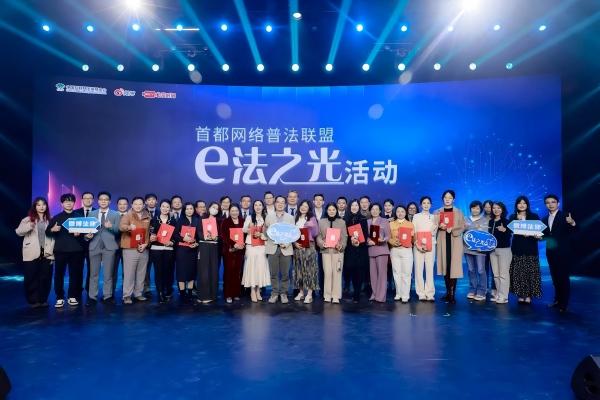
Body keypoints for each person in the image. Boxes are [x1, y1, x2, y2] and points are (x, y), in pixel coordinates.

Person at [46, 193, 85, 308]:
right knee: (59, 275)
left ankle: (72, 296)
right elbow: (47, 233)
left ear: (74, 203)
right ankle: (59, 297)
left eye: (71, 201)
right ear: (61, 203)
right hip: (60, 251)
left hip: (76, 251)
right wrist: (52, 230)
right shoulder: (56, 217)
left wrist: (80, 233)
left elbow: (86, 234)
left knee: (75, 275)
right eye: (66, 201)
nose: (68, 203)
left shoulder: (80, 217)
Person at [15, 197, 53, 307]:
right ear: (35, 207)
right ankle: (33, 300)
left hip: (47, 253)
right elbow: (18, 232)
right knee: (31, 277)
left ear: (46, 206)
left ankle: (43, 299)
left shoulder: (51, 220)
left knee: (45, 277)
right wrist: (29, 226)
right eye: (38, 205)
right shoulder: (28, 219)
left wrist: (52, 253)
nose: (41, 207)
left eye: (43, 204)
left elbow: (54, 238)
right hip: (31, 252)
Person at [542, 194, 577, 312]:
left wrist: (572, 223)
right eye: (548, 202)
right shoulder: (544, 219)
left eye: (553, 202)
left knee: (563, 278)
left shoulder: (565, 216)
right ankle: (557, 300)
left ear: (558, 203)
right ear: (545, 205)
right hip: (550, 252)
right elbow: (545, 236)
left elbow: (576, 231)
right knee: (555, 278)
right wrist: (539, 237)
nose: (550, 204)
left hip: (563, 253)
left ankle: (563, 304)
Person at [85, 191, 121, 306]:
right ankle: (92, 297)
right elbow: (86, 231)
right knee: (93, 273)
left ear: (109, 201)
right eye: (101, 199)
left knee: (108, 273)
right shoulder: (92, 214)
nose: (103, 201)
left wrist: (111, 227)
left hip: (109, 247)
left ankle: (107, 296)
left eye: (106, 199)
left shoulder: (115, 214)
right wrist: (87, 236)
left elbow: (118, 231)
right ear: (98, 201)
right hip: (94, 245)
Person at [508, 195, 542, 304]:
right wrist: (518, 221)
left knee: (530, 272)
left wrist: (536, 235)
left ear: (527, 204)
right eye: (519, 203)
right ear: (516, 205)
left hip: (530, 248)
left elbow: (539, 233)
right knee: (518, 273)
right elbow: (510, 231)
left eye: (524, 203)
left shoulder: (534, 216)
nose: (522, 205)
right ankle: (520, 294)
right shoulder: (512, 217)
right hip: (517, 248)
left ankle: (528, 295)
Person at [119, 196, 151, 304]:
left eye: (140, 204)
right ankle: (127, 295)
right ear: (132, 205)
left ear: (143, 205)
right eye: (136, 204)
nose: (138, 206)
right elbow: (121, 227)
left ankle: (138, 293)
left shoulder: (147, 216)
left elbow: (148, 233)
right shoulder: (127, 215)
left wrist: (146, 244)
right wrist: (129, 227)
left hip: (143, 248)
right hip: (130, 249)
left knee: (141, 273)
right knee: (129, 273)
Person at [435, 190, 465, 304]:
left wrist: (452, 229)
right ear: (442, 199)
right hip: (443, 241)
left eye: (450, 197)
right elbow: (433, 226)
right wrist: (439, 226)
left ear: (454, 199)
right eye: (445, 197)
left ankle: (452, 294)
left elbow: (463, 226)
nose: (447, 199)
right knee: (446, 267)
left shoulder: (459, 212)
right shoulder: (437, 212)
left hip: (455, 241)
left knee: (454, 268)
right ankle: (448, 292)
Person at [264, 195, 294, 304]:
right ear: (275, 204)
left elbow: (293, 233)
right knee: (274, 274)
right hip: (272, 248)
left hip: (286, 249)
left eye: (282, 202)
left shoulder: (290, 218)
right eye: (278, 202)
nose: (280, 204)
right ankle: (274, 293)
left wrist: (286, 243)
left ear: (285, 205)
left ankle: (283, 293)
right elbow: (265, 232)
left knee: (285, 274)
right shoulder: (269, 217)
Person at [316, 203, 347, 303]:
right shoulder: (321, 222)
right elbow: (318, 236)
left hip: (337, 252)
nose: (331, 211)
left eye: (333, 209)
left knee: (337, 273)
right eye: (329, 210)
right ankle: (327, 295)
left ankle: (336, 296)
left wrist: (341, 245)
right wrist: (322, 243)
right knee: (327, 273)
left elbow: (344, 237)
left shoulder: (342, 222)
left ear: (336, 210)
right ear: (326, 211)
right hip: (326, 251)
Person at [242, 200, 271, 302]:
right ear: (253, 207)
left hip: (262, 246)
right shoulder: (249, 217)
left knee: (260, 268)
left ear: (263, 207)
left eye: (260, 205)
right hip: (251, 246)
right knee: (252, 268)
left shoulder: (266, 218)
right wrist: (250, 228)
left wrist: (262, 234)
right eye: (255, 205)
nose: (258, 207)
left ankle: (258, 290)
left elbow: (270, 233)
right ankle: (252, 291)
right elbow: (243, 229)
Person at [148, 199, 176, 304]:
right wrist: (151, 238)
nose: (165, 208)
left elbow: (176, 236)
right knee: (158, 271)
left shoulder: (173, 221)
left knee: (168, 271)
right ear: (160, 207)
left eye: (167, 207)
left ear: (170, 209)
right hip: (156, 249)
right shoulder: (154, 220)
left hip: (168, 250)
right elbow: (150, 234)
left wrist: (172, 242)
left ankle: (167, 290)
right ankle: (160, 293)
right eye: (163, 206)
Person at [292, 200, 320, 303]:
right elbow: (291, 233)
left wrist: (310, 225)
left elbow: (316, 233)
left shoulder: (312, 218)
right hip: (298, 247)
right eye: (302, 205)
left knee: (310, 270)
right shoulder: (295, 218)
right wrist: (294, 243)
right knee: (299, 270)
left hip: (309, 246)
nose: (303, 207)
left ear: (309, 209)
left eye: (306, 206)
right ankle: (301, 293)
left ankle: (309, 294)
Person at [343, 200, 369, 303]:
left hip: (361, 249)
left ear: (359, 207)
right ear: (349, 207)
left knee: (360, 272)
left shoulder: (363, 219)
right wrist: (351, 240)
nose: (354, 207)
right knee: (352, 271)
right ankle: (352, 291)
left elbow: (365, 234)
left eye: (356, 205)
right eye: (352, 205)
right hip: (350, 250)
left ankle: (357, 294)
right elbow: (343, 235)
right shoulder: (345, 219)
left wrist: (359, 242)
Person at [463, 200, 489, 302]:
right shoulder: (465, 219)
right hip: (467, 249)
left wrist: (482, 246)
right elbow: (461, 231)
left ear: (481, 210)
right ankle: (472, 289)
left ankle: (482, 291)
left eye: (477, 208)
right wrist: (464, 228)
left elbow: (486, 235)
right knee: (471, 270)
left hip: (480, 250)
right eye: (473, 208)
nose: (475, 210)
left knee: (481, 270)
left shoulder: (485, 220)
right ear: (470, 209)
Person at [412, 196, 437, 302]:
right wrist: (417, 244)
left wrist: (432, 232)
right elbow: (414, 231)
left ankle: (430, 293)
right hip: (418, 245)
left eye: (428, 203)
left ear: (431, 205)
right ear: (421, 205)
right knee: (418, 269)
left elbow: (434, 232)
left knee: (430, 269)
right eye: (424, 203)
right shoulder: (416, 216)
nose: (426, 205)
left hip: (431, 245)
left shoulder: (434, 217)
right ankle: (421, 293)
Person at [195, 202, 220, 304]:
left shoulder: (218, 220)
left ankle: (212, 295)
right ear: (209, 208)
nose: (215, 209)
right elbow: (198, 232)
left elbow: (220, 235)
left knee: (213, 271)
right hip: (203, 246)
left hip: (214, 247)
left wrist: (216, 237)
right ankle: (203, 296)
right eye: (213, 207)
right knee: (203, 271)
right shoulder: (202, 218)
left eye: (217, 208)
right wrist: (205, 237)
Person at [388, 205, 414, 303]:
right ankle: (398, 293)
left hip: (406, 250)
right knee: (396, 272)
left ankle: (405, 294)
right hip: (394, 250)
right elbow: (388, 237)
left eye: (402, 211)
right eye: (398, 211)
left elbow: (413, 239)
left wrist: (408, 240)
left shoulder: (410, 224)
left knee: (406, 273)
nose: (400, 213)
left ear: (405, 213)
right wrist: (392, 242)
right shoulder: (391, 224)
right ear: (395, 213)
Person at [220, 204, 246, 303]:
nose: (234, 212)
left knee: (237, 272)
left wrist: (242, 244)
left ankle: (236, 293)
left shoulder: (243, 221)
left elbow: (245, 235)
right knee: (228, 272)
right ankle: (228, 294)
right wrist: (234, 244)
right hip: (229, 250)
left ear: (239, 211)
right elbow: (224, 236)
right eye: (232, 211)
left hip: (240, 251)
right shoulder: (225, 222)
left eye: (236, 210)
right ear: (229, 212)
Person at [174, 202, 199, 303]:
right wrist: (183, 238)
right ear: (184, 210)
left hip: (193, 249)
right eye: (187, 209)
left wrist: (196, 243)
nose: (189, 210)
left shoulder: (197, 220)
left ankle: (190, 293)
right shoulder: (180, 221)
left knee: (191, 272)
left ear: (194, 210)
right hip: (182, 250)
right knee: (181, 272)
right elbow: (175, 235)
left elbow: (199, 235)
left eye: (191, 208)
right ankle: (182, 294)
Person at [488, 201, 512, 304]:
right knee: (496, 275)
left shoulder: (506, 221)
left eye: (498, 208)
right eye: (494, 208)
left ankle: (504, 296)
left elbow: (510, 235)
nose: (496, 210)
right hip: (492, 251)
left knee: (503, 274)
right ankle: (498, 294)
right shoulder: (490, 221)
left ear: (502, 209)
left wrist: (505, 230)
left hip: (504, 250)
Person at [366, 203, 390, 303]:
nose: (374, 211)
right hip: (371, 250)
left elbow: (388, 236)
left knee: (382, 274)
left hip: (382, 250)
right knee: (373, 274)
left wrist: (383, 239)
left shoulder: (384, 221)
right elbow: (366, 235)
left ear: (380, 211)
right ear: (370, 211)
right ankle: (374, 294)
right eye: (372, 209)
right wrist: (368, 241)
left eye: (377, 209)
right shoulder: (367, 222)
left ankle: (381, 296)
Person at [77, 191, 95, 295]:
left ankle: (89, 289)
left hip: (93, 246)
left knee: (92, 270)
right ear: (82, 200)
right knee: (78, 269)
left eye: (90, 198)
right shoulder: (75, 212)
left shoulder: (98, 212)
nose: (88, 200)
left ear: (93, 200)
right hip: (78, 246)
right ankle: (77, 289)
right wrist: (83, 236)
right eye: (85, 198)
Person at [112, 197, 129, 295]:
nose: (122, 206)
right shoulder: (112, 216)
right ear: (117, 205)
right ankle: (111, 292)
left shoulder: (131, 216)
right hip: (113, 248)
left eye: (124, 204)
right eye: (120, 204)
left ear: (128, 205)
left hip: (128, 247)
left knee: (127, 272)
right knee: (112, 271)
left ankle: (126, 293)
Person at [143, 193, 158, 295]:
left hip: (158, 244)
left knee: (159, 267)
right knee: (145, 268)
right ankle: (146, 287)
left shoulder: (162, 211)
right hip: (146, 245)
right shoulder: (142, 212)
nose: (151, 201)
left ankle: (160, 287)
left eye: (153, 199)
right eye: (149, 200)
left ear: (156, 201)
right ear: (145, 202)